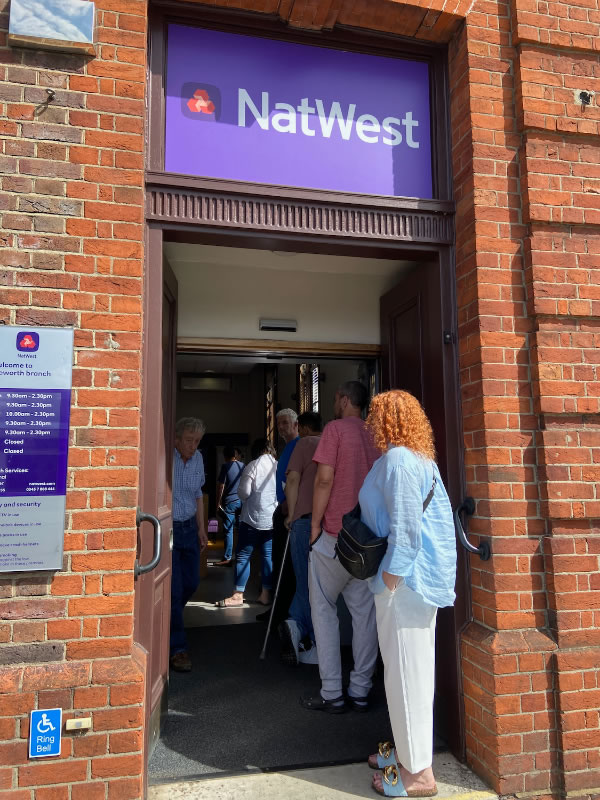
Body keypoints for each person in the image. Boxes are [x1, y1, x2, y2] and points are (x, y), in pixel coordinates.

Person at [361, 390, 456, 797]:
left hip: (404, 585)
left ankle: (418, 775)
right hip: (411, 584)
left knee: (407, 677)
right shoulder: (417, 459)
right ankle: (406, 754)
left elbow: (405, 532)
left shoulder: (400, 460)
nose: (371, 423)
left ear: (387, 420)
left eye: (375, 416)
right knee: (407, 674)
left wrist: (388, 581)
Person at [301, 381, 379, 713]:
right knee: (365, 617)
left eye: (335, 398)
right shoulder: (376, 433)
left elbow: (324, 478)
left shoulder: (334, 430)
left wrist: (316, 525)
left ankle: (332, 691)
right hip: (367, 539)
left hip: (334, 534)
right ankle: (360, 690)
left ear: (345, 400)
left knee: (324, 612)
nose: (334, 404)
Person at [279, 411, 322, 666]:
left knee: (304, 580)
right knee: (319, 581)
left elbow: (292, 479)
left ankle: (301, 630)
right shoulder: (331, 442)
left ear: (303, 428)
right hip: (329, 522)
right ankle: (298, 627)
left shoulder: (303, 444)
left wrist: (292, 515)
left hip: (304, 520)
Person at [217, 439, 277, 608]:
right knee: (268, 557)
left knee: (243, 556)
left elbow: (243, 493)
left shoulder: (252, 466)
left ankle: (238, 595)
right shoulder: (278, 465)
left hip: (251, 519)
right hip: (271, 520)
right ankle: (265, 594)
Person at [170, 417, 208, 673]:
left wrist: (202, 529)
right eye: (188, 440)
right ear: (176, 439)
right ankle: (177, 648)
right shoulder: (167, 458)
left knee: (191, 583)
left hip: (189, 529)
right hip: (169, 528)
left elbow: (198, 496)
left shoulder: (198, 459)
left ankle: (169, 620)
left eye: (196, 441)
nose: (193, 446)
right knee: (173, 591)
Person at [256, 408, 299, 625]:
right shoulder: (285, 448)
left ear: (295, 424)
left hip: (288, 512)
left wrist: (288, 508)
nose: (281, 427)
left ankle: (283, 613)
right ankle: (277, 609)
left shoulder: (298, 446)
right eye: (278, 423)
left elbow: (294, 480)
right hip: (281, 509)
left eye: (285, 423)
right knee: (278, 559)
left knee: (287, 565)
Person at [214, 446, 245, 567]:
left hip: (230, 502)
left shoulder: (225, 466)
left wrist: (218, 502)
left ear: (225, 456)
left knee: (228, 530)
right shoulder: (244, 466)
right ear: (235, 455)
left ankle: (227, 558)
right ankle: (241, 556)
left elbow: (221, 486)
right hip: (242, 501)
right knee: (240, 529)